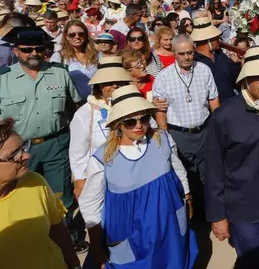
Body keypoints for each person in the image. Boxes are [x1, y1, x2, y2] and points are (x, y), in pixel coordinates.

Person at [79, 86, 196, 268]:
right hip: (129, 232)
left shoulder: (163, 139)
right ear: (118, 124)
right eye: (130, 122)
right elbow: (90, 203)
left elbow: (178, 169)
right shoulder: (103, 158)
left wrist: (187, 196)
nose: (139, 125)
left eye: (144, 118)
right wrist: (96, 244)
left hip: (168, 225)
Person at [0, 26, 87, 253]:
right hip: (16, 153)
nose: (34, 53)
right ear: (16, 51)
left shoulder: (60, 72)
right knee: (21, 196)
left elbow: (75, 105)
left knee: (62, 197)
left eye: (39, 49)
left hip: (56, 144)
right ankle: (30, 241)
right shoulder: (3, 79)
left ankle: (69, 241)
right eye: (26, 49)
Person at [205, 46, 259, 257]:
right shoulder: (224, 117)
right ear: (245, 79)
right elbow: (214, 170)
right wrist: (217, 216)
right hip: (242, 208)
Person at [0, 118, 81, 269]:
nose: (26, 156)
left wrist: (74, 264)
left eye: (23, 147)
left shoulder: (35, 182)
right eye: (15, 155)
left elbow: (57, 228)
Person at [153, 34, 220, 207]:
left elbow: (213, 100)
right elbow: (161, 110)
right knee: (186, 175)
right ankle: (192, 214)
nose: (186, 57)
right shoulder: (163, 77)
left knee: (210, 173)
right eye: (181, 54)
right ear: (174, 53)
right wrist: (165, 136)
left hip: (204, 131)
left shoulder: (204, 70)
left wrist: (219, 127)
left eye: (189, 53)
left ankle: (211, 211)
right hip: (179, 134)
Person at [69, 56, 132, 198]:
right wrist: (81, 180)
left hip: (132, 177)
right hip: (100, 182)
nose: (115, 86)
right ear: (100, 86)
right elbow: (77, 155)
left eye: (120, 82)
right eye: (109, 82)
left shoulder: (135, 107)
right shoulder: (85, 114)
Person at [192, 17, 241, 103]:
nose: (219, 40)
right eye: (216, 38)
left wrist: (237, 64)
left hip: (230, 105)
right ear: (208, 40)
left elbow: (234, 76)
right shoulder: (195, 62)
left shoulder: (220, 55)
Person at [50, 20, 98, 99]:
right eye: (72, 35)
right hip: (73, 103)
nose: (77, 37)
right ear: (66, 36)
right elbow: (56, 83)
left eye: (81, 34)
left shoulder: (96, 54)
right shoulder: (59, 57)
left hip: (96, 99)